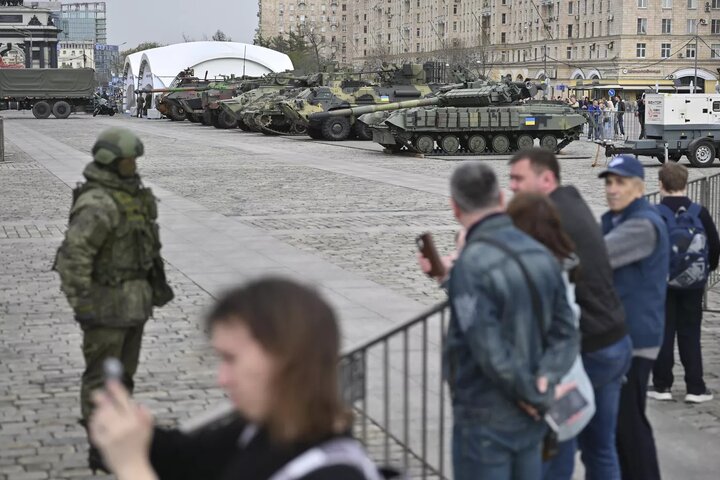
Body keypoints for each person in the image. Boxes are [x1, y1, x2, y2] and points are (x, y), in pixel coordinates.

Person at [89, 278, 385, 480]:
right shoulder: (261, 430)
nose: (222, 378)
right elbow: (188, 459)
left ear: (286, 358)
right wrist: (136, 434)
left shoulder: (336, 474)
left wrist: (132, 467)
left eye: (231, 359)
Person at [437, 162, 577, 480]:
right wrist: (546, 378)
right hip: (531, 412)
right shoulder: (541, 253)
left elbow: (487, 347)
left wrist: (530, 392)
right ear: (501, 199)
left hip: (486, 413)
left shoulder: (470, 265)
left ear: (455, 207)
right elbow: (566, 333)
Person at [53, 127, 174, 472]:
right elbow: (73, 259)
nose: (133, 165)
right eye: (128, 160)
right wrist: (85, 308)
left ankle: (120, 438)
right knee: (101, 382)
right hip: (105, 311)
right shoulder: (98, 203)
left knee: (123, 380)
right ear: (110, 161)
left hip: (133, 307)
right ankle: (100, 446)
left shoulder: (130, 195)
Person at [508, 149, 631, 480]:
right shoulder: (570, 200)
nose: (513, 187)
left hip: (588, 351)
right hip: (613, 339)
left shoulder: (550, 218)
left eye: (519, 179)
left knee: (557, 445)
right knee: (600, 448)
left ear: (546, 179)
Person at [599, 154, 669, 480]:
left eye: (621, 183)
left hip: (635, 338)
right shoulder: (615, 218)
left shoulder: (642, 224)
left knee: (629, 423)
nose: (613, 189)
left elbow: (594, 258)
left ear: (639, 189)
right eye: (610, 182)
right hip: (619, 333)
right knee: (620, 424)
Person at [648, 162, 719, 403]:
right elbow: (715, 244)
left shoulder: (655, 213)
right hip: (693, 284)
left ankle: (662, 385)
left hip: (663, 283)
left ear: (660, 185)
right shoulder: (699, 212)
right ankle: (695, 387)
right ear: (686, 184)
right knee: (690, 334)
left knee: (664, 333)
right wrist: (706, 269)